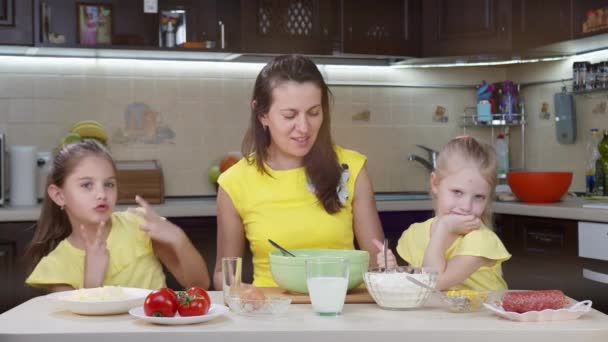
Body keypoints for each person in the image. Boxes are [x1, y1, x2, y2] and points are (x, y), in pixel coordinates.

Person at [213, 54, 385, 289]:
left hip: (343, 311)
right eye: (289, 115)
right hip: (272, 315)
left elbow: (377, 263)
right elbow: (224, 274)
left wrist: (388, 268)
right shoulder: (234, 183)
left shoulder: (352, 169)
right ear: (262, 113)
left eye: (314, 113)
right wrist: (242, 292)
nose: (304, 128)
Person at [25, 139, 210, 292]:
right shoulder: (57, 265)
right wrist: (92, 280)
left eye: (109, 184)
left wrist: (180, 240)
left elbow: (199, 286)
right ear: (59, 195)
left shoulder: (140, 225)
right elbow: (80, 333)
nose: (101, 194)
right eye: (87, 185)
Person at [378, 135, 511, 291]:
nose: (466, 206)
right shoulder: (415, 234)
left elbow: (432, 282)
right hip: (437, 315)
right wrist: (393, 271)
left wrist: (443, 227)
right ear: (435, 183)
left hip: (480, 316)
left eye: (479, 197)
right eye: (457, 192)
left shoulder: (481, 240)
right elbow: (418, 288)